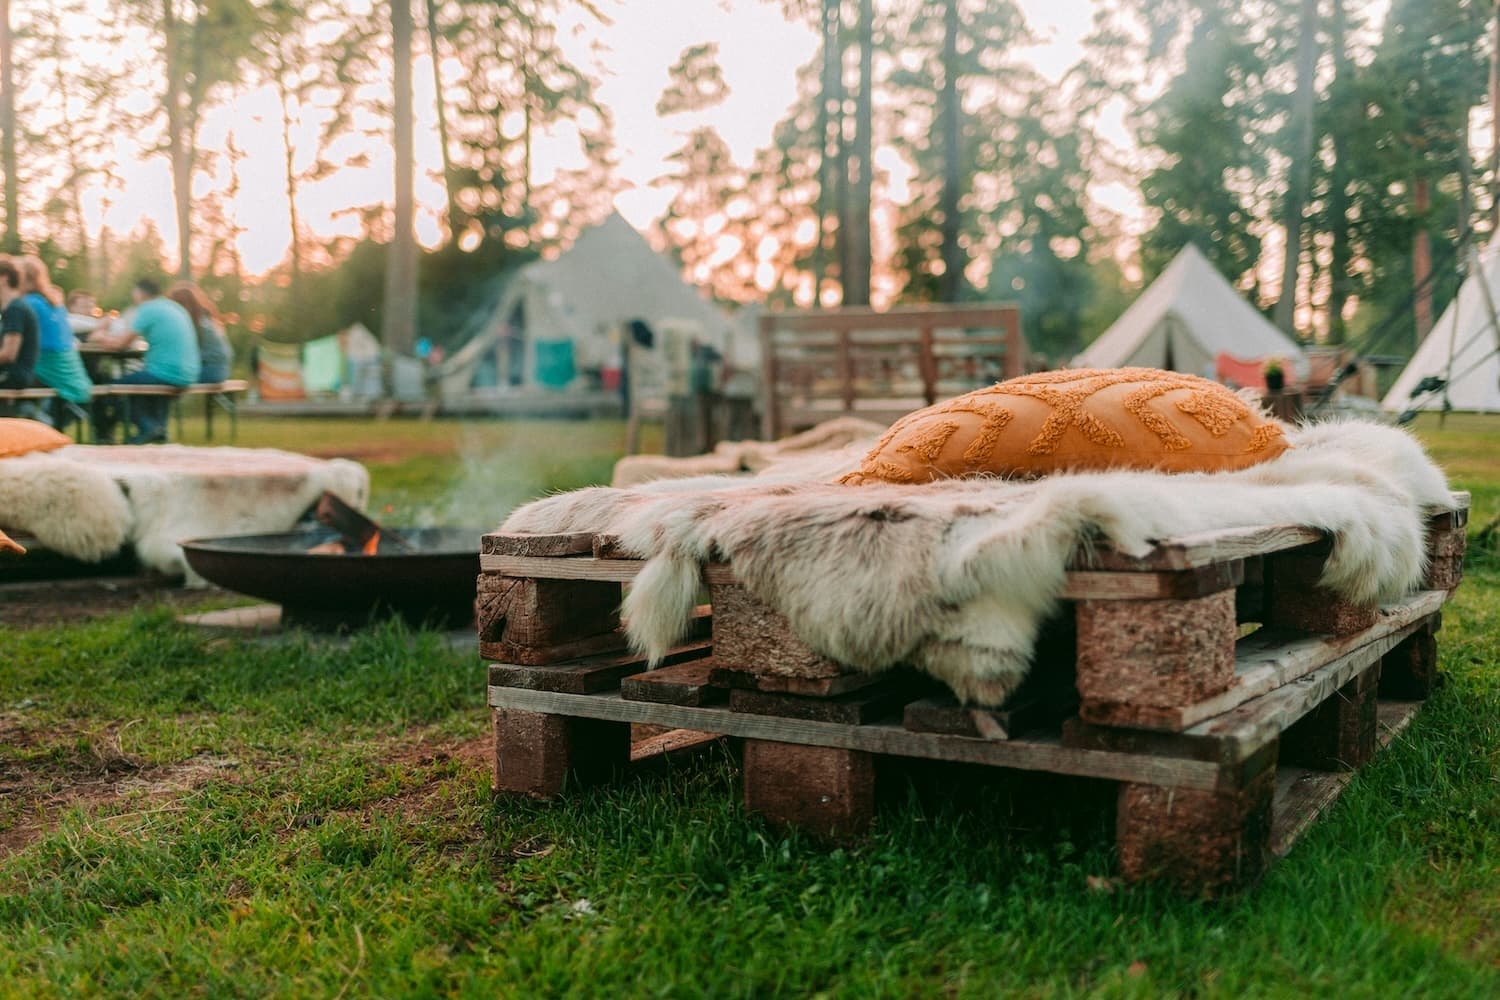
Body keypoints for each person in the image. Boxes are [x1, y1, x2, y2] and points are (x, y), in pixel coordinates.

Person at [90, 277, 200, 444]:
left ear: (139, 293)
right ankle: (158, 430)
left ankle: (147, 427)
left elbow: (120, 344)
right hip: (189, 372)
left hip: (165, 373)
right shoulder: (174, 307)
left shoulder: (147, 309)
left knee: (113, 389)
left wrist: (98, 335)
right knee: (137, 386)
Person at [18, 256, 93, 426]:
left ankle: (30, 417)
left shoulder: (28, 303)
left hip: (46, 367)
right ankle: (39, 414)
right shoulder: (53, 302)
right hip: (70, 370)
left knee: (10, 378)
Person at [167, 282, 234, 383]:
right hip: (222, 370)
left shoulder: (196, 323)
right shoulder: (205, 318)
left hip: (210, 370)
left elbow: (186, 353)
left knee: (168, 377)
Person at [0, 255, 40, 395]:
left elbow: (8, 354)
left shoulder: (15, 308)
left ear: (4, 278)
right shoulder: (11, 307)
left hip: (14, 374)